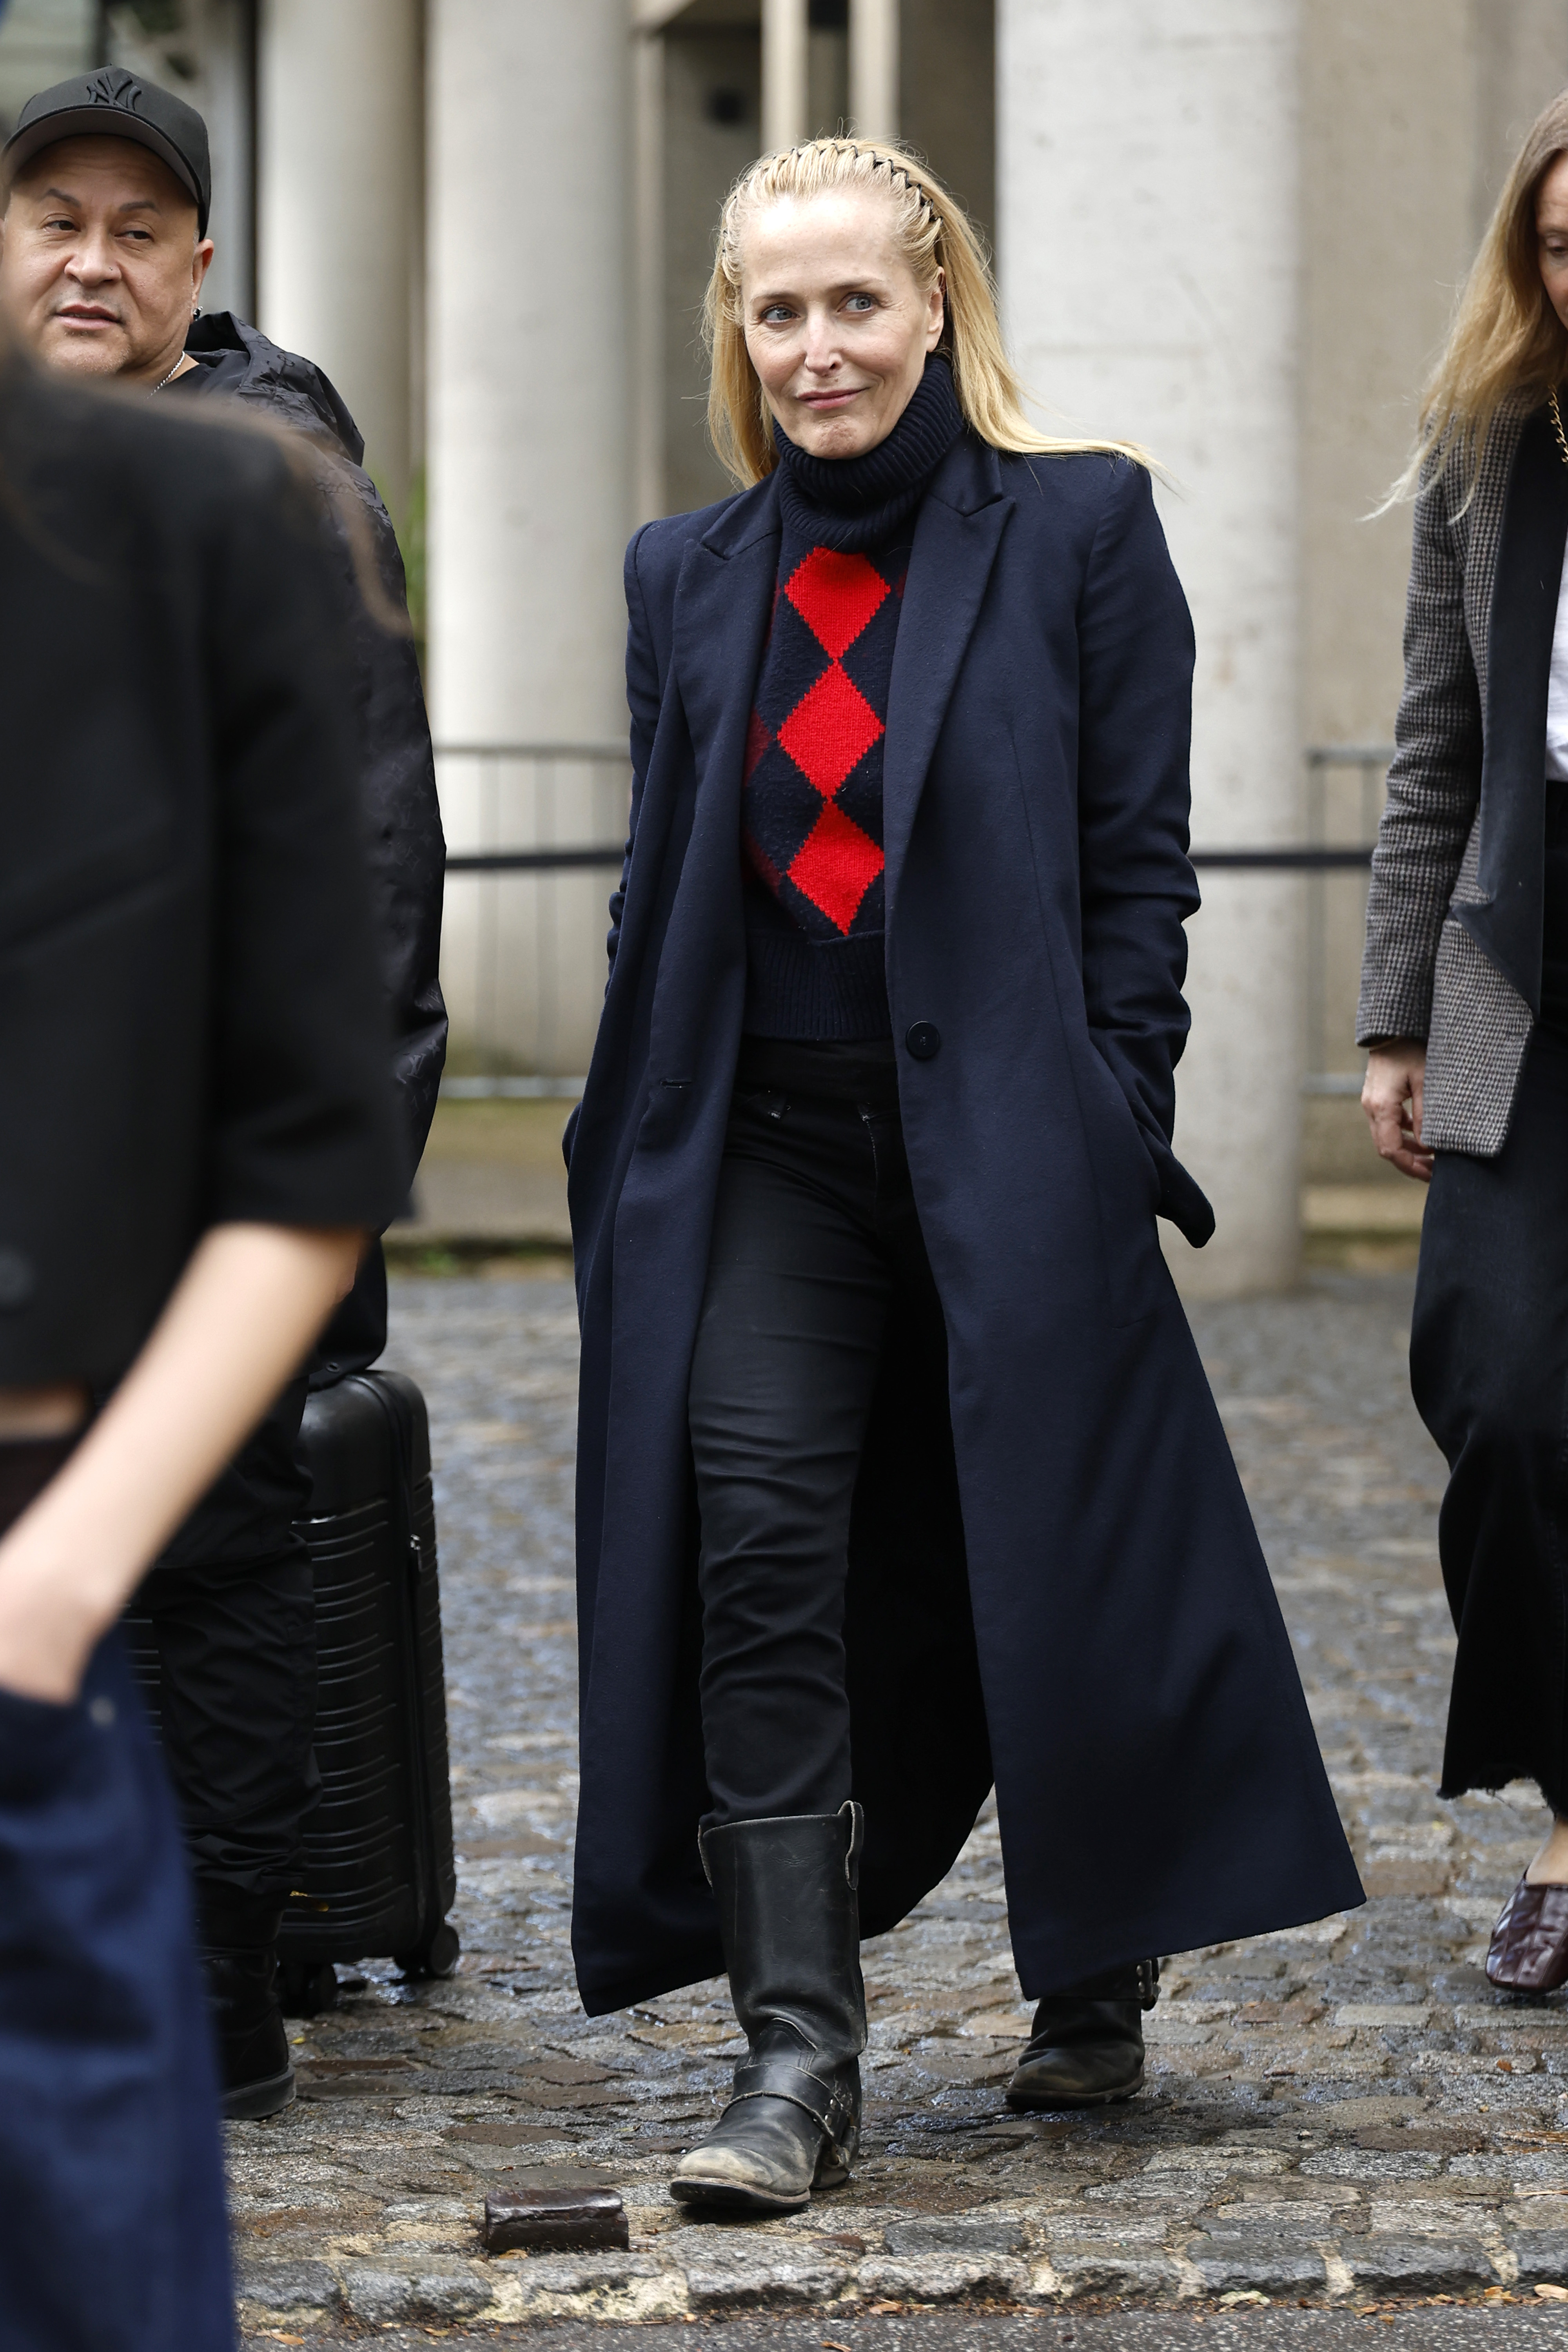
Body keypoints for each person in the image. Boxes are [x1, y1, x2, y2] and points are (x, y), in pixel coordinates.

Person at [566, 135, 1362, 2215]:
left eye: (855, 303)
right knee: (758, 1544)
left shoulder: (1084, 529)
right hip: (767, 1152)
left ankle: (1094, 1960)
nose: (817, 347)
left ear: (937, 311)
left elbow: (1138, 868)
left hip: (1011, 1140)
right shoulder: (683, 576)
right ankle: (793, 2060)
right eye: (777, 308)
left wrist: (1115, 1111)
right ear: (735, 334)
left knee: (1040, 1548)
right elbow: (666, 894)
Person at [0, 65, 446, 2114]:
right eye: (48, 217)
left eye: (132, 226)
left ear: (198, 263)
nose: (88, 257)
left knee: (218, 1556)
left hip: (212, 1161)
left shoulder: (266, 482)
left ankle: (211, 1988)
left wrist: (323, 1174)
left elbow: (371, 850)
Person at [1360, 87, 1568, 1996]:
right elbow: (1437, 747)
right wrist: (1393, 1018)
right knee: (1500, 1400)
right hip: (1527, 986)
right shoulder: (1490, 450)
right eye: (1564, 245)